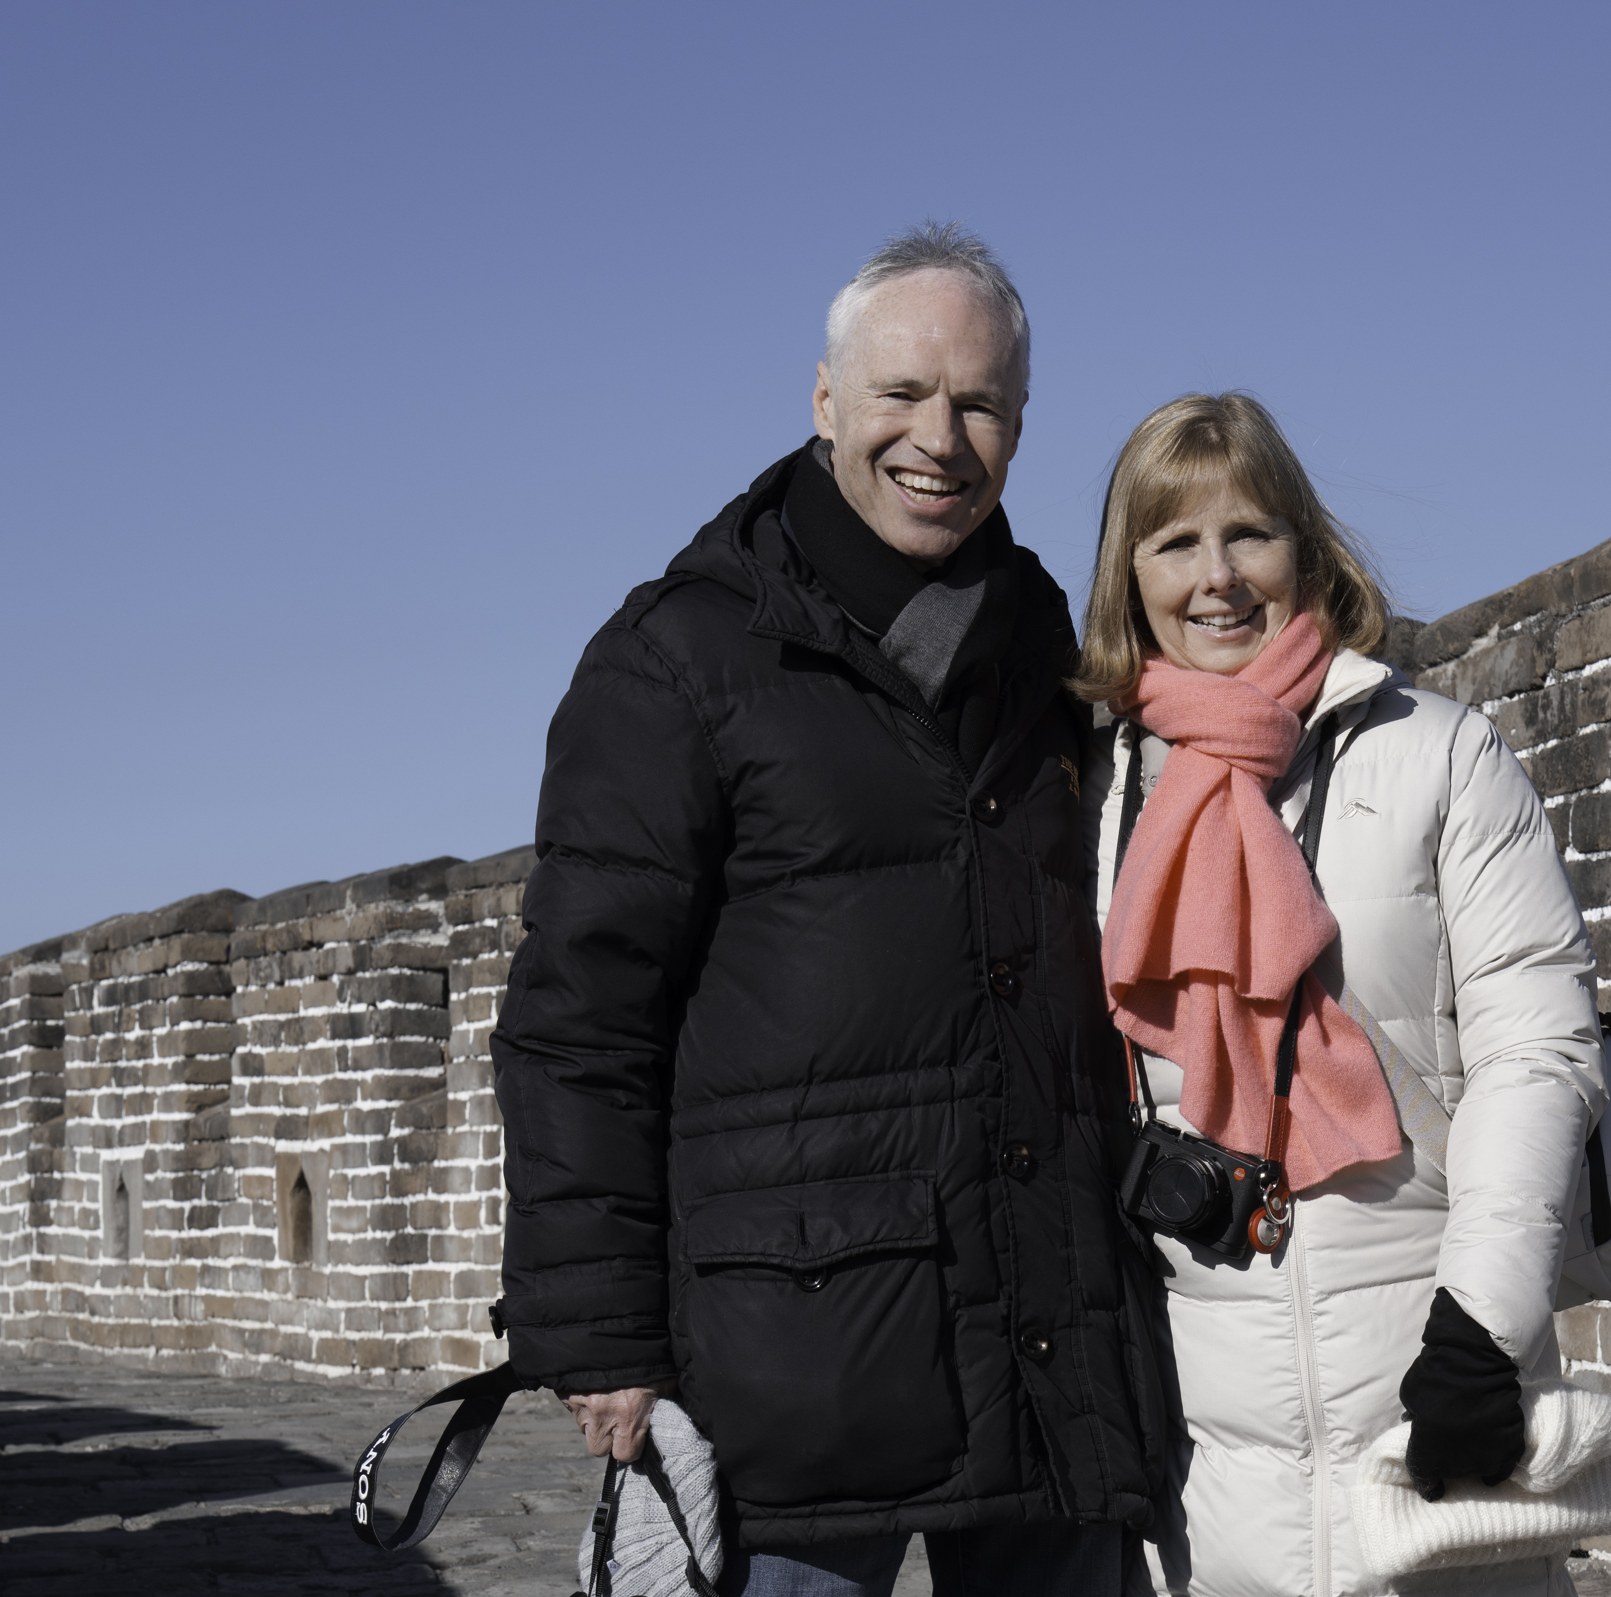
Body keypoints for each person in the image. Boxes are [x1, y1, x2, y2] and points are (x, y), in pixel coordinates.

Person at [490, 224, 1160, 1597]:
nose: (940, 437)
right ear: (825, 403)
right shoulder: (680, 657)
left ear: (1020, 427)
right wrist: (600, 1331)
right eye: (903, 395)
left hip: (1045, 1348)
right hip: (791, 1366)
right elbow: (579, 1017)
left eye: (980, 403)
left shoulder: (1054, 652)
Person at [1075, 393, 1607, 1597]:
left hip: (1431, 1393)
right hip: (1208, 1448)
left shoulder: (1436, 752)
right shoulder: (1092, 793)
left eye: (1249, 532)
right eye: (1174, 542)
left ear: (1306, 547)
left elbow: (1538, 1051)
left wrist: (1481, 1330)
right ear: (1129, 573)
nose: (1217, 577)